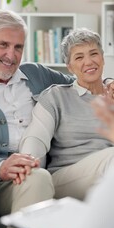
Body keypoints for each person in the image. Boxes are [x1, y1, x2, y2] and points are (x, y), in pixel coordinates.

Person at [0, 9, 76, 228]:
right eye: (3, 45)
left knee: (38, 176)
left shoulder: (36, 74)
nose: (11, 56)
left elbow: (80, 84)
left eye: (18, 47)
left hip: (19, 182)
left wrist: (108, 82)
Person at [19, 27, 114, 202]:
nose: (89, 62)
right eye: (79, 57)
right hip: (66, 178)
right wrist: (29, 171)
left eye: (94, 53)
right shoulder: (56, 96)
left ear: (102, 57)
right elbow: (35, 139)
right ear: (69, 66)